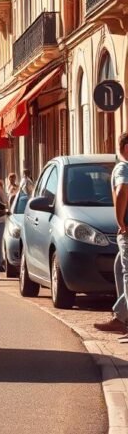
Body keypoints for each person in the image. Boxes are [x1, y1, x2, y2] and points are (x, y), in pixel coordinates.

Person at [95, 132, 128, 337]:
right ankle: (120, 317)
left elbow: (122, 189)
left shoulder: (123, 167)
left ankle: (120, 318)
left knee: (126, 272)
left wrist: (120, 221)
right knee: (118, 267)